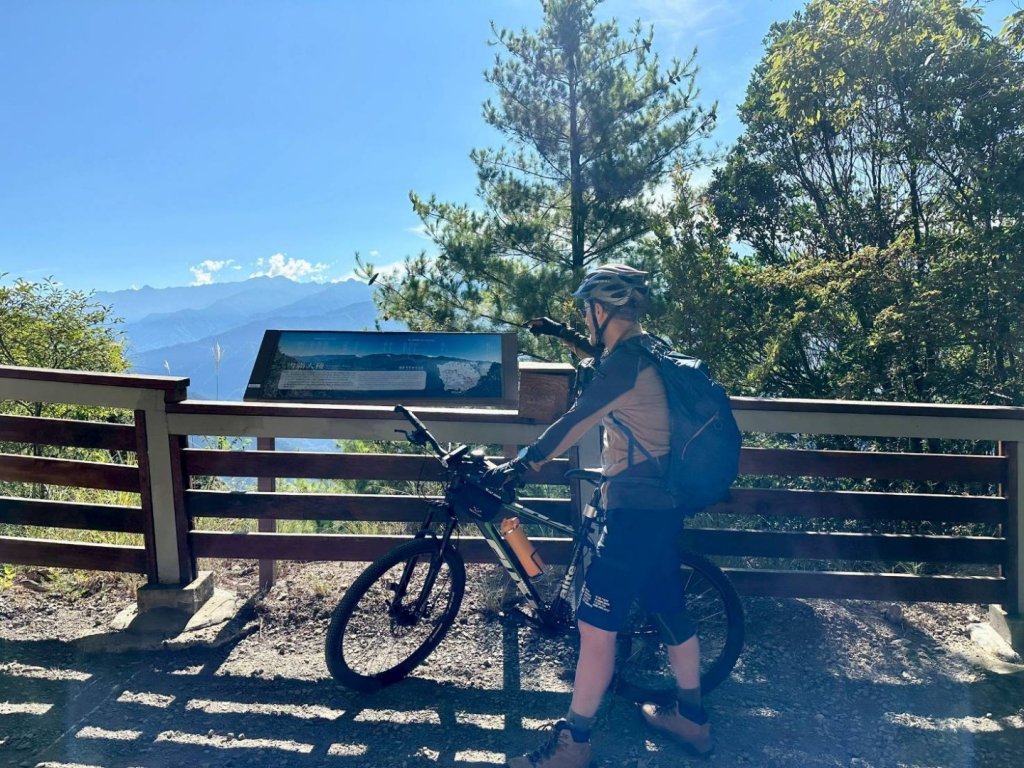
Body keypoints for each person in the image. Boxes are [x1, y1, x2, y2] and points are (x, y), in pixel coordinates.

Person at [488, 264, 712, 768]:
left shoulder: (625, 362)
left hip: (634, 514)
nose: (584, 318)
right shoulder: (652, 349)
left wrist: (524, 464)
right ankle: (693, 721)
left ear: (603, 308)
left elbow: (577, 418)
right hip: (663, 506)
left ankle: (575, 744)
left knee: (595, 624)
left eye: (587, 308)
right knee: (669, 610)